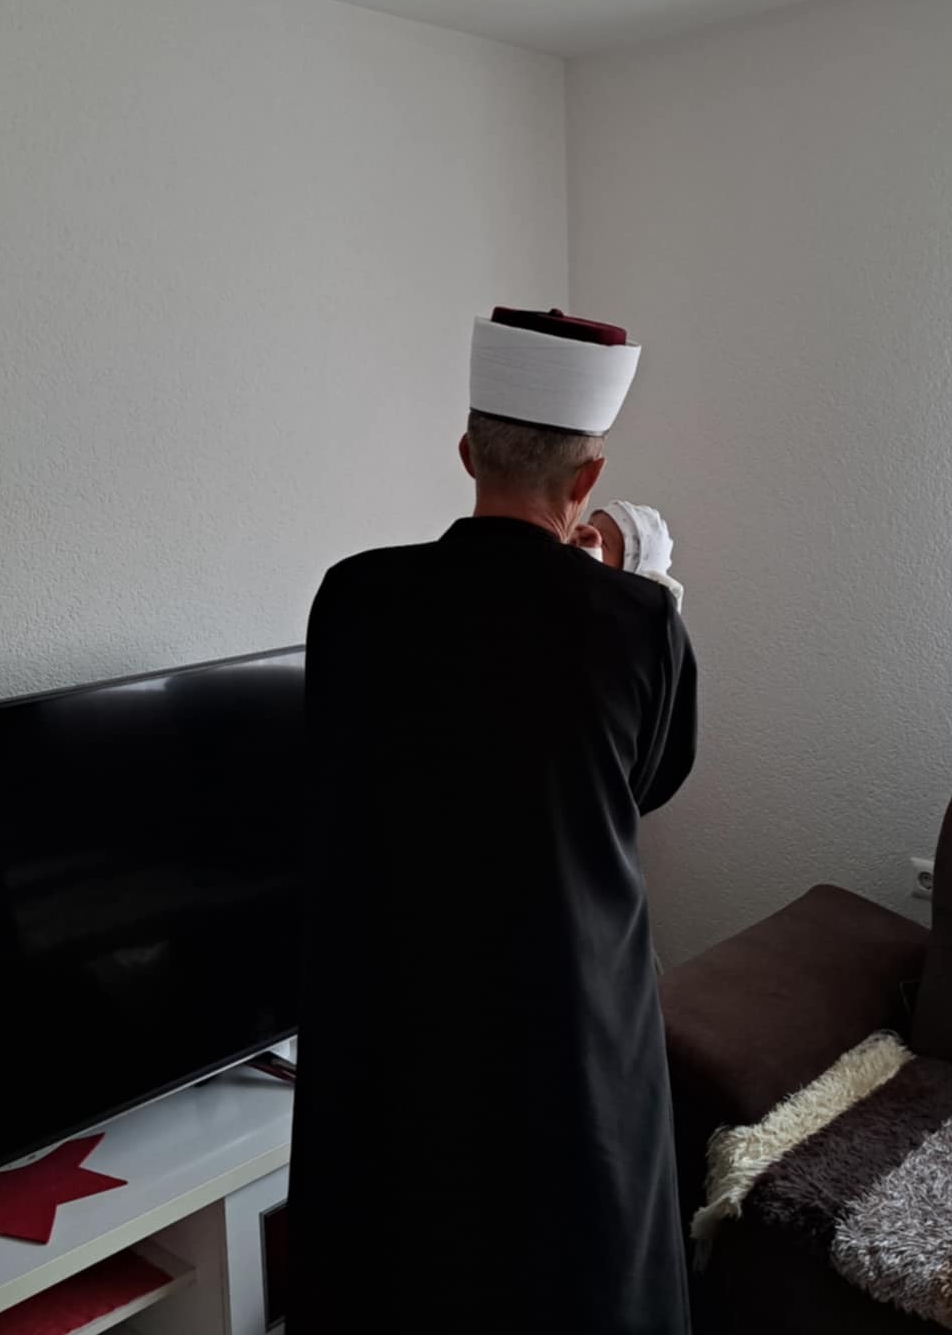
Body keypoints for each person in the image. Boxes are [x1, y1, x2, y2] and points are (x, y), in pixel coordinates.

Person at [289, 308, 699, 1334]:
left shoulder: (352, 596)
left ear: (468, 453)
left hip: (393, 1008)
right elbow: (646, 783)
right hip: (567, 1018)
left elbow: (338, 762)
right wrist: (615, 585)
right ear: (588, 478)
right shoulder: (638, 621)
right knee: (579, 1269)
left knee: (400, 1260)